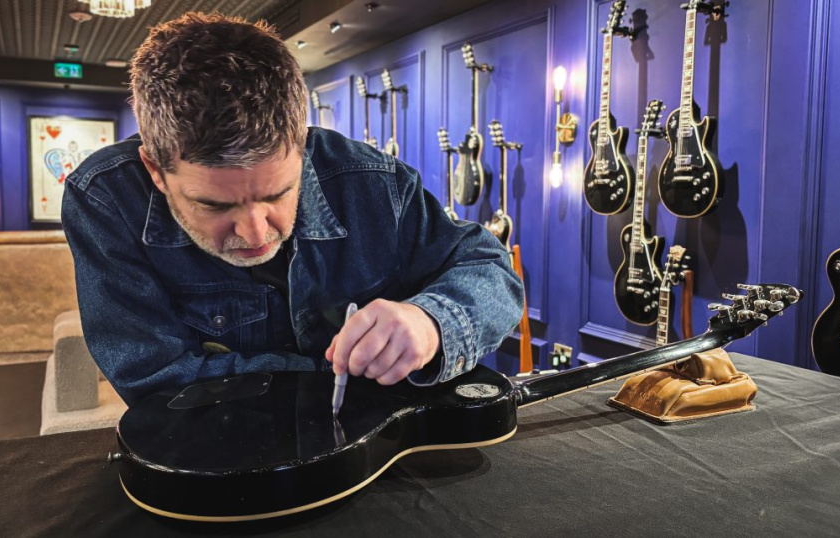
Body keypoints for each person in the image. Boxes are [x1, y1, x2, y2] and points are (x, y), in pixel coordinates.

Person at [62, 12, 524, 405]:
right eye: (214, 204)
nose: (256, 232)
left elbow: (491, 270)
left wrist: (429, 323)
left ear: (302, 148)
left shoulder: (373, 182)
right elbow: (156, 381)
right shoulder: (105, 197)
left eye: (277, 194)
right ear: (155, 170)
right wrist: (330, 373)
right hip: (216, 462)